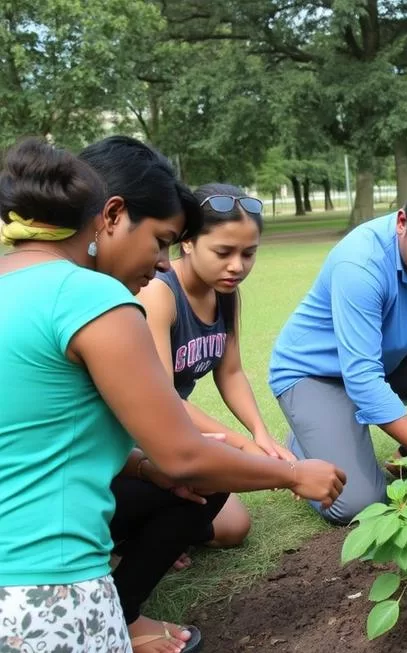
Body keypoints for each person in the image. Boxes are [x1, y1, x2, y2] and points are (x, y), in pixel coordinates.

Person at [0, 137, 345, 653]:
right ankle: (122, 613)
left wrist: (142, 468)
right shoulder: (96, 299)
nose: (162, 263)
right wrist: (295, 473)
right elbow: (183, 456)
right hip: (45, 592)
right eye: (160, 240)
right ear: (111, 216)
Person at [268, 173, 407, 525]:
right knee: (357, 505)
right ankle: (303, 441)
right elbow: (362, 378)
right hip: (316, 375)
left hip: (387, 359)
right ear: (402, 222)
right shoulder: (360, 263)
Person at [132, 183, 282, 573]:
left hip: (175, 428)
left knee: (233, 528)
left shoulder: (226, 292)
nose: (237, 266)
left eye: (248, 253)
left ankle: (154, 531)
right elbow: (163, 397)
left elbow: (230, 372)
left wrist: (260, 435)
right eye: (223, 252)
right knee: (212, 496)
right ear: (187, 243)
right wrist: (240, 447)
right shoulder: (160, 294)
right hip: (141, 433)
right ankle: (127, 542)